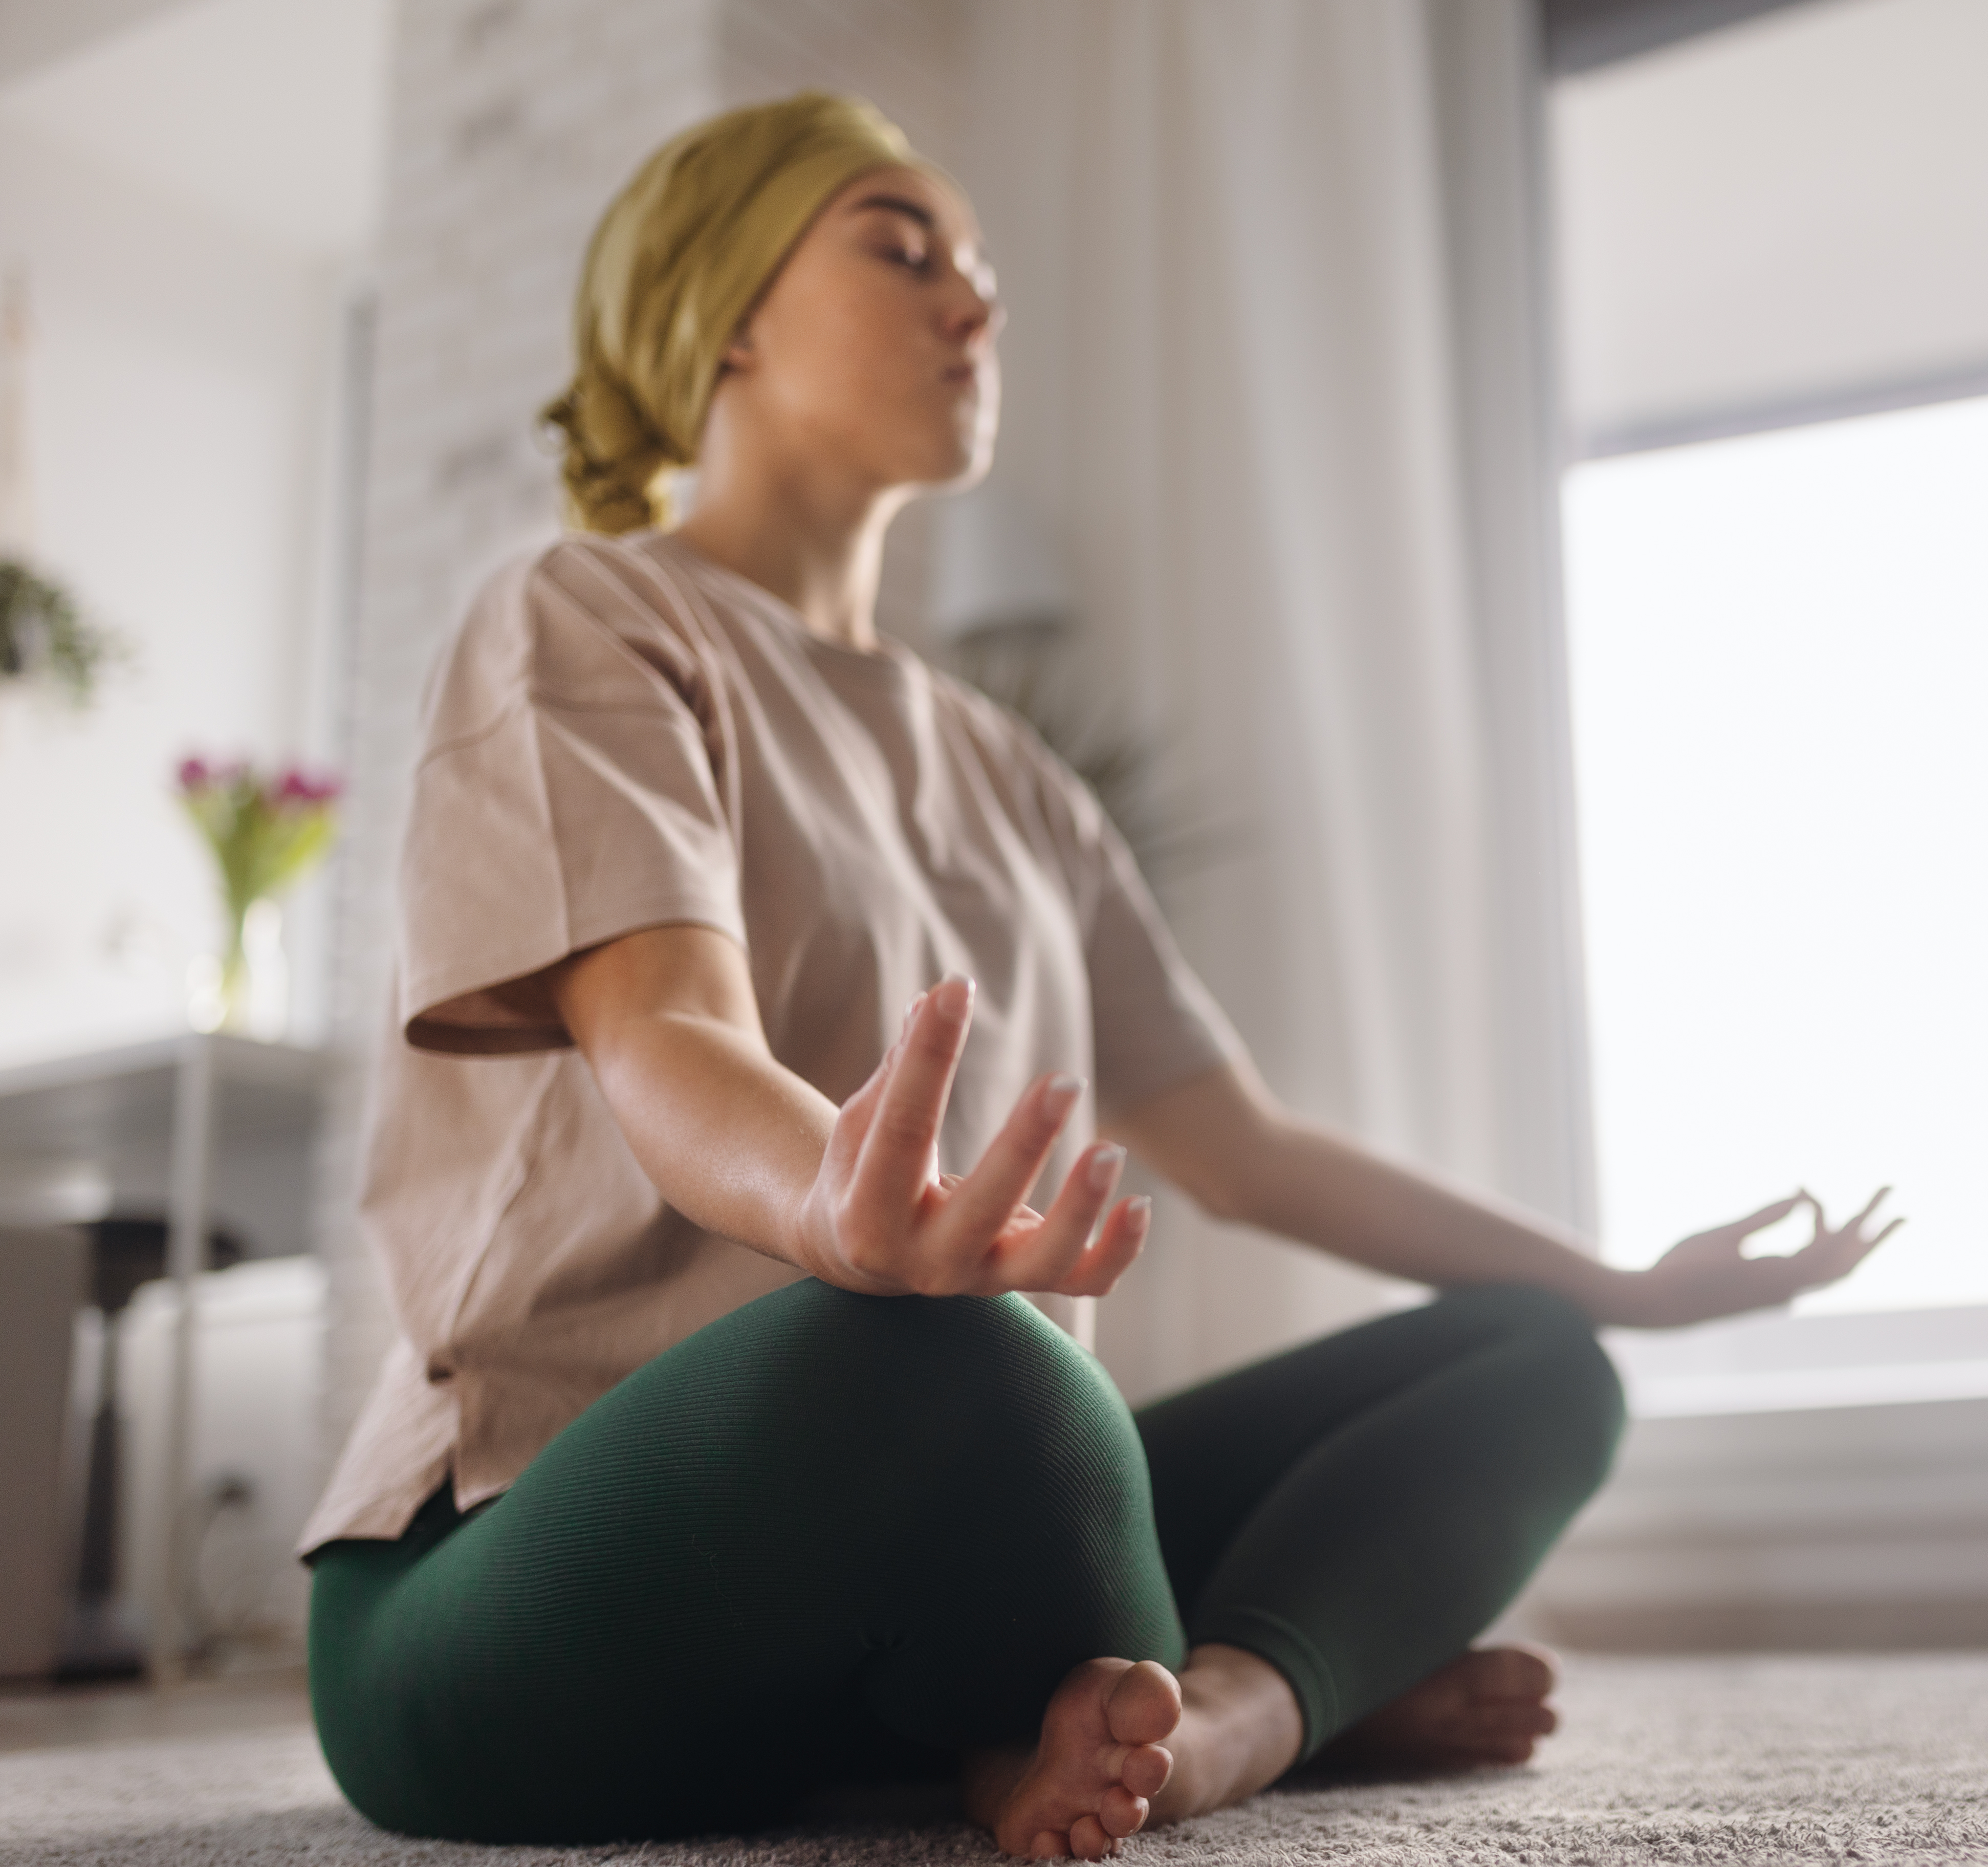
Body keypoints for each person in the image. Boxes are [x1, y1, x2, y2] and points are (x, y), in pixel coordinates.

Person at [298, 93, 1902, 1862]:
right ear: (723, 312)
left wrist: (1624, 1284)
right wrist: (836, 1208)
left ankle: (1221, 1719)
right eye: (902, 251)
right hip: (521, 1575)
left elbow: (1246, 1148)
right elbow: (664, 1027)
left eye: (983, 272)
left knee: (1540, 1362)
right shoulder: (589, 615)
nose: (976, 307)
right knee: (946, 1364)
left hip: (931, 1539)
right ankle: (1218, 1684)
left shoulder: (1010, 773)